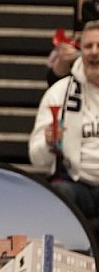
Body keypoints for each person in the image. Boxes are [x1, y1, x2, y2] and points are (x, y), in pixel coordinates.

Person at [31, 21, 99, 217]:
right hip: (76, 186)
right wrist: (47, 142)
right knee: (60, 194)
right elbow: (37, 159)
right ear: (80, 52)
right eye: (88, 46)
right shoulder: (59, 92)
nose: (94, 52)